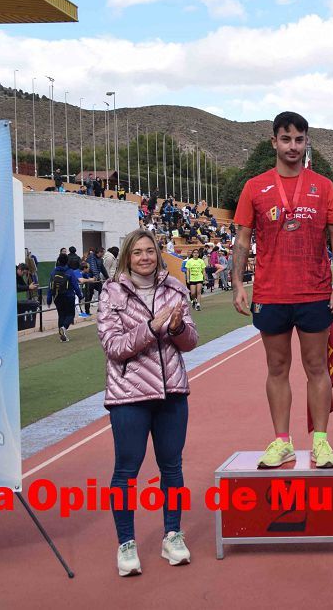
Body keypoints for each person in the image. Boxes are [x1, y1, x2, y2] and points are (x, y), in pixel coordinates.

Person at [231, 111, 333, 470]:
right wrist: (238, 283)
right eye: (286, 139)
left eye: (299, 139)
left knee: (317, 367)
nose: (293, 146)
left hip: (314, 292)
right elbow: (242, 238)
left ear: (306, 142)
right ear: (274, 142)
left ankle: (321, 442)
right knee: (277, 367)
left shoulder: (323, 186)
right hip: (270, 293)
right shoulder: (254, 186)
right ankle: (281, 441)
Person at [97, 228, 198, 576]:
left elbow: (191, 341)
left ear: (158, 254)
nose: (145, 257)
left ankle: (173, 534)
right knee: (127, 470)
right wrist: (153, 328)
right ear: (127, 256)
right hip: (129, 397)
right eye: (137, 252)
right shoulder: (111, 293)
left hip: (172, 393)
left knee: (172, 467)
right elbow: (114, 346)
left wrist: (175, 329)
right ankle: (126, 543)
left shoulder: (175, 288)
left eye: (150, 251)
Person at [50, 255, 84, 342]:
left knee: (61, 315)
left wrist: (49, 298)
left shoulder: (53, 272)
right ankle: (64, 328)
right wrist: (80, 296)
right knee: (70, 314)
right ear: (67, 262)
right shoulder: (70, 272)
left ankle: (62, 336)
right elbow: (75, 285)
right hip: (69, 296)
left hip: (57, 297)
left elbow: (50, 286)